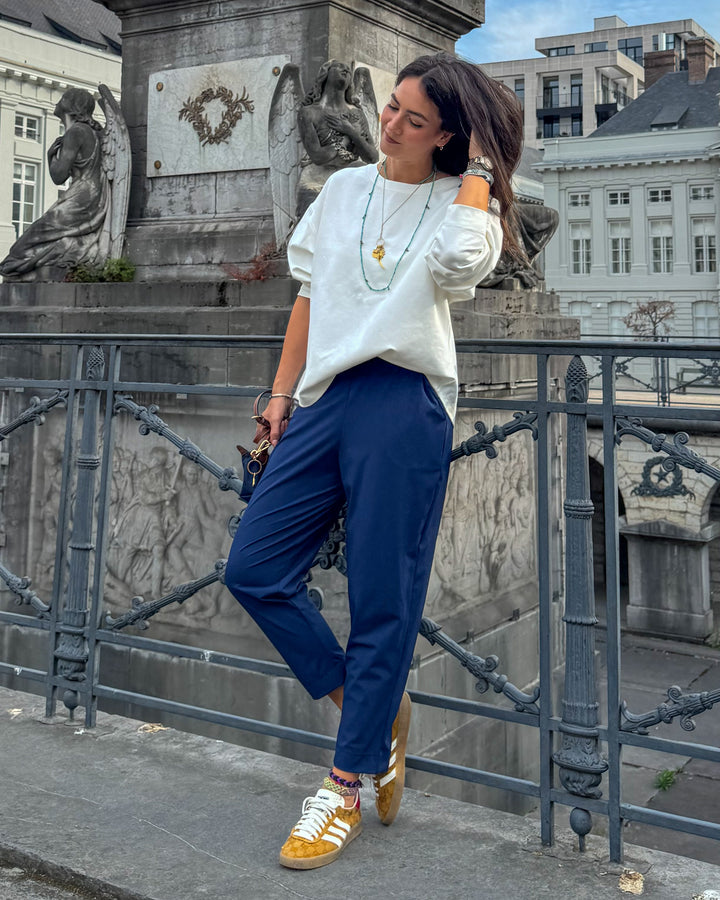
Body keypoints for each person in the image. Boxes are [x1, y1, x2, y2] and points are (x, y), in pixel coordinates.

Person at [224, 52, 523, 869]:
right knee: (254, 568)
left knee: (384, 596)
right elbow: (309, 296)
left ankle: (345, 784)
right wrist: (281, 393)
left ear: (448, 136)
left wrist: (481, 173)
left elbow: (457, 268)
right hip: (325, 397)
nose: (388, 126)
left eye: (413, 120)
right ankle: (374, 706)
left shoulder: (465, 206)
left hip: (404, 403)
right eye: (391, 107)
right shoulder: (343, 190)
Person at [0, 89, 109, 279]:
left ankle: (24, 270)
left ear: (71, 106)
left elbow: (58, 176)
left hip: (81, 197)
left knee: (24, 245)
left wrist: (50, 155)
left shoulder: (76, 132)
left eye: (63, 98)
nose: (58, 102)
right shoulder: (93, 133)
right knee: (50, 236)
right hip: (93, 196)